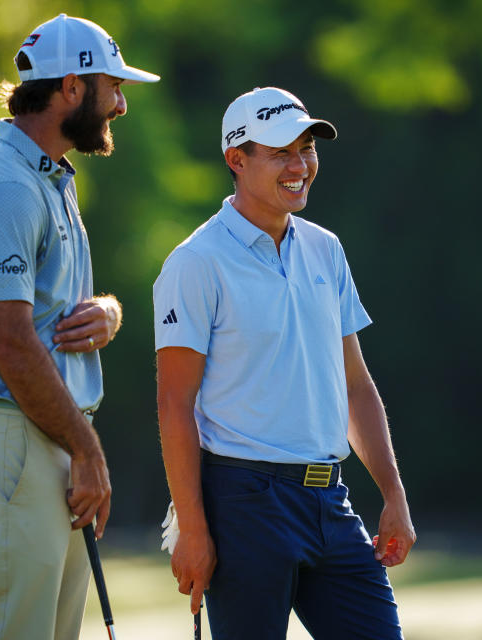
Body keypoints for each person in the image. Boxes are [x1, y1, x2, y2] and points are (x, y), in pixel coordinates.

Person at [153, 87, 416, 639]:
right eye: (280, 153)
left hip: (329, 497)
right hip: (242, 502)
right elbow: (175, 405)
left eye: (307, 149)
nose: (300, 166)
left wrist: (393, 495)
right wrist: (194, 530)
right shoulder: (196, 262)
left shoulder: (326, 249)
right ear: (236, 159)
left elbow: (355, 386)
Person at [0, 14, 158, 640]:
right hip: (13, 436)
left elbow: (47, 311)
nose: (119, 104)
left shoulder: (48, 178)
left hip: (49, 434)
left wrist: (107, 312)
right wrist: (88, 452)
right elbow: (8, 341)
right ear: (70, 88)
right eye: (112, 87)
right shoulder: (5, 184)